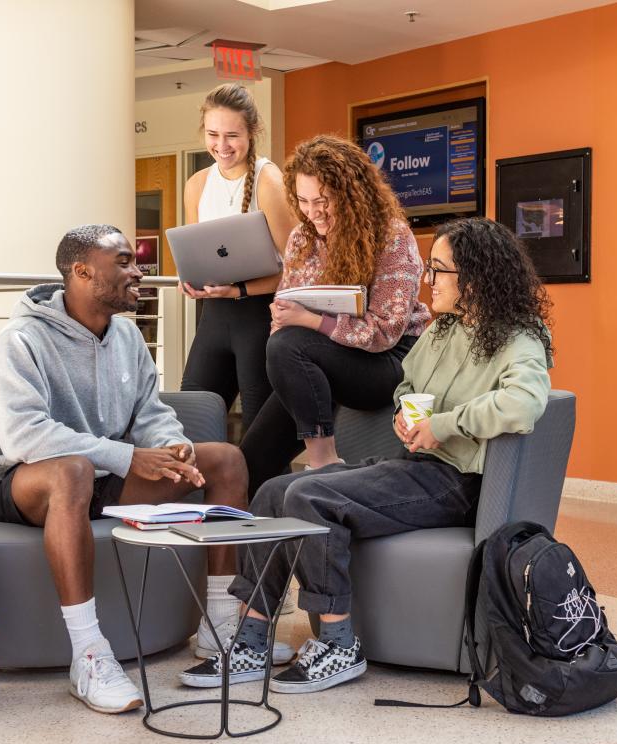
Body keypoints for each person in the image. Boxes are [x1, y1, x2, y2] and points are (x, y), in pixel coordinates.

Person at [180, 216, 554, 693]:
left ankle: (338, 644)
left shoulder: (520, 336)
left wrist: (442, 426)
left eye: (439, 270)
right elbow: (408, 382)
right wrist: (405, 411)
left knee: (312, 498)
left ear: (475, 278)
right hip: (416, 467)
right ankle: (252, 638)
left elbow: (523, 403)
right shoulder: (444, 331)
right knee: (276, 491)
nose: (428, 280)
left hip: (458, 481)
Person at [0, 224, 247, 714]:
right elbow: (23, 436)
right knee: (71, 470)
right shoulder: (23, 339)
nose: (138, 271)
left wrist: (172, 447)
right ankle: (90, 655)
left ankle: (221, 630)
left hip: (102, 477)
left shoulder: (126, 336)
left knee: (225, 458)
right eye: (123, 262)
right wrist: (127, 457)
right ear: (81, 272)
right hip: (23, 481)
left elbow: (149, 413)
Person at [238, 133, 432, 498]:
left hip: (391, 360)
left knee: (289, 344)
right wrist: (283, 315)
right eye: (304, 201)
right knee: (248, 465)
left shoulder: (393, 237)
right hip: (321, 356)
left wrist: (310, 321)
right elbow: (285, 314)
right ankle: (252, 543)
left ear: (352, 194)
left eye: (324, 201)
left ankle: (323, 462)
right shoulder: (301, 238)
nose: (314, 212)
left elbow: (385, 333)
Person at [178, 84, 296, 665]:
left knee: (256, 452)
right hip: (212, 317)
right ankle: (203, 575)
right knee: (187, 426)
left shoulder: (269, 181)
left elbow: (292, 267)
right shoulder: (196, 184)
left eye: (232, 135)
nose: (222, 145)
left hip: (255, 317)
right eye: (213, 135)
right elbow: (195, 251)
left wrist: (242, 287)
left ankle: (259, 590)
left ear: (251, 134)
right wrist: (189, 277)